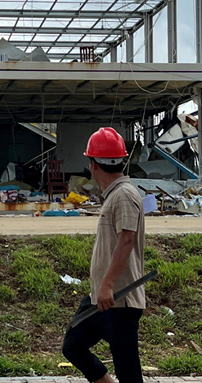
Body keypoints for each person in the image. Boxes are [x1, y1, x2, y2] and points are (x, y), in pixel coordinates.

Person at [62, 127, 146, 383]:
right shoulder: (115, 195)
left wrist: (108, 285)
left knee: (128, 372)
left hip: (119, 300)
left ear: (93, 165)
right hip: (101, 297)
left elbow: (127, 240)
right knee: (73, 346)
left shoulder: (123, 195)